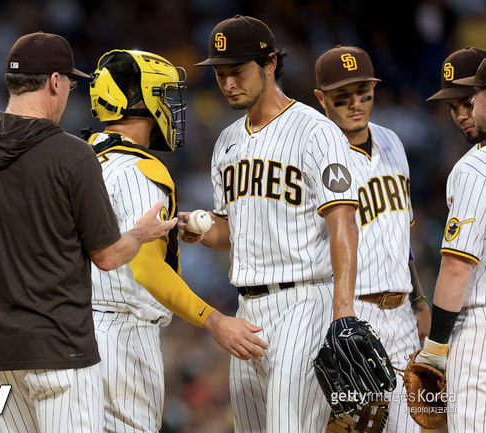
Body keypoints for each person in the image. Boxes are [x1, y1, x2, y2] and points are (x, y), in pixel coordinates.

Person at [0, 32, 176, 433]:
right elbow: (108, 257)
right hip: (61, 351)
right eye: (69, 84)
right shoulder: (73, 155)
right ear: (55, 82)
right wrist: (140, 233)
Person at [184, 15, 360, 433]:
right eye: (221, 74)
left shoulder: (316, 131)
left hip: (304, 300)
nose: (228, 83)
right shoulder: (226, 141)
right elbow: (230, 233)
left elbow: (344, 221)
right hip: (245, 311)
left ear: (269, 66)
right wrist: (203, 230)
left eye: (237, 72)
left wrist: (343, 311)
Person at [85, 48, 268, 433]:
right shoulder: (141, 169)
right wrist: (213, 319)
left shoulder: (81, 158)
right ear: (139, 99)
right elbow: (147, 268)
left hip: (73, 332)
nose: (170, 105)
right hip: (121, 338)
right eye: (163, 94)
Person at [313, 45, 429, 433]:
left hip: (402, 317)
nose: (355, 104)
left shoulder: (393, 142)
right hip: (351, 317)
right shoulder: (313, 151)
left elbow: (401, 234)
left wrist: (418, 300)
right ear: (321, 99)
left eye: (363, 92)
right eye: (341, 97)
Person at [413, 54, 486, 433]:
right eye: (453, 106)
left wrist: (436, 346)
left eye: (468, 100)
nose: (461, 113)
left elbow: (457, 266)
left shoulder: (473, 168)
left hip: (477, 330)